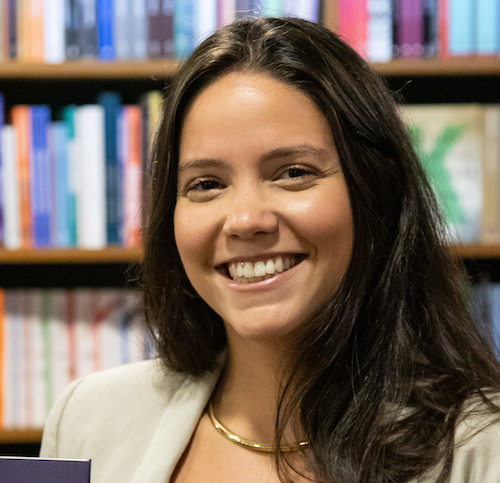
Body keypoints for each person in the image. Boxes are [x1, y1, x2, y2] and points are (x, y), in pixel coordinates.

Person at [40, 16, 500, 483]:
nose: (245, 220)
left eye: (293, 172)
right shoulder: (85, 422)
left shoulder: (482, 449)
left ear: (376, 192)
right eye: (206, 184)